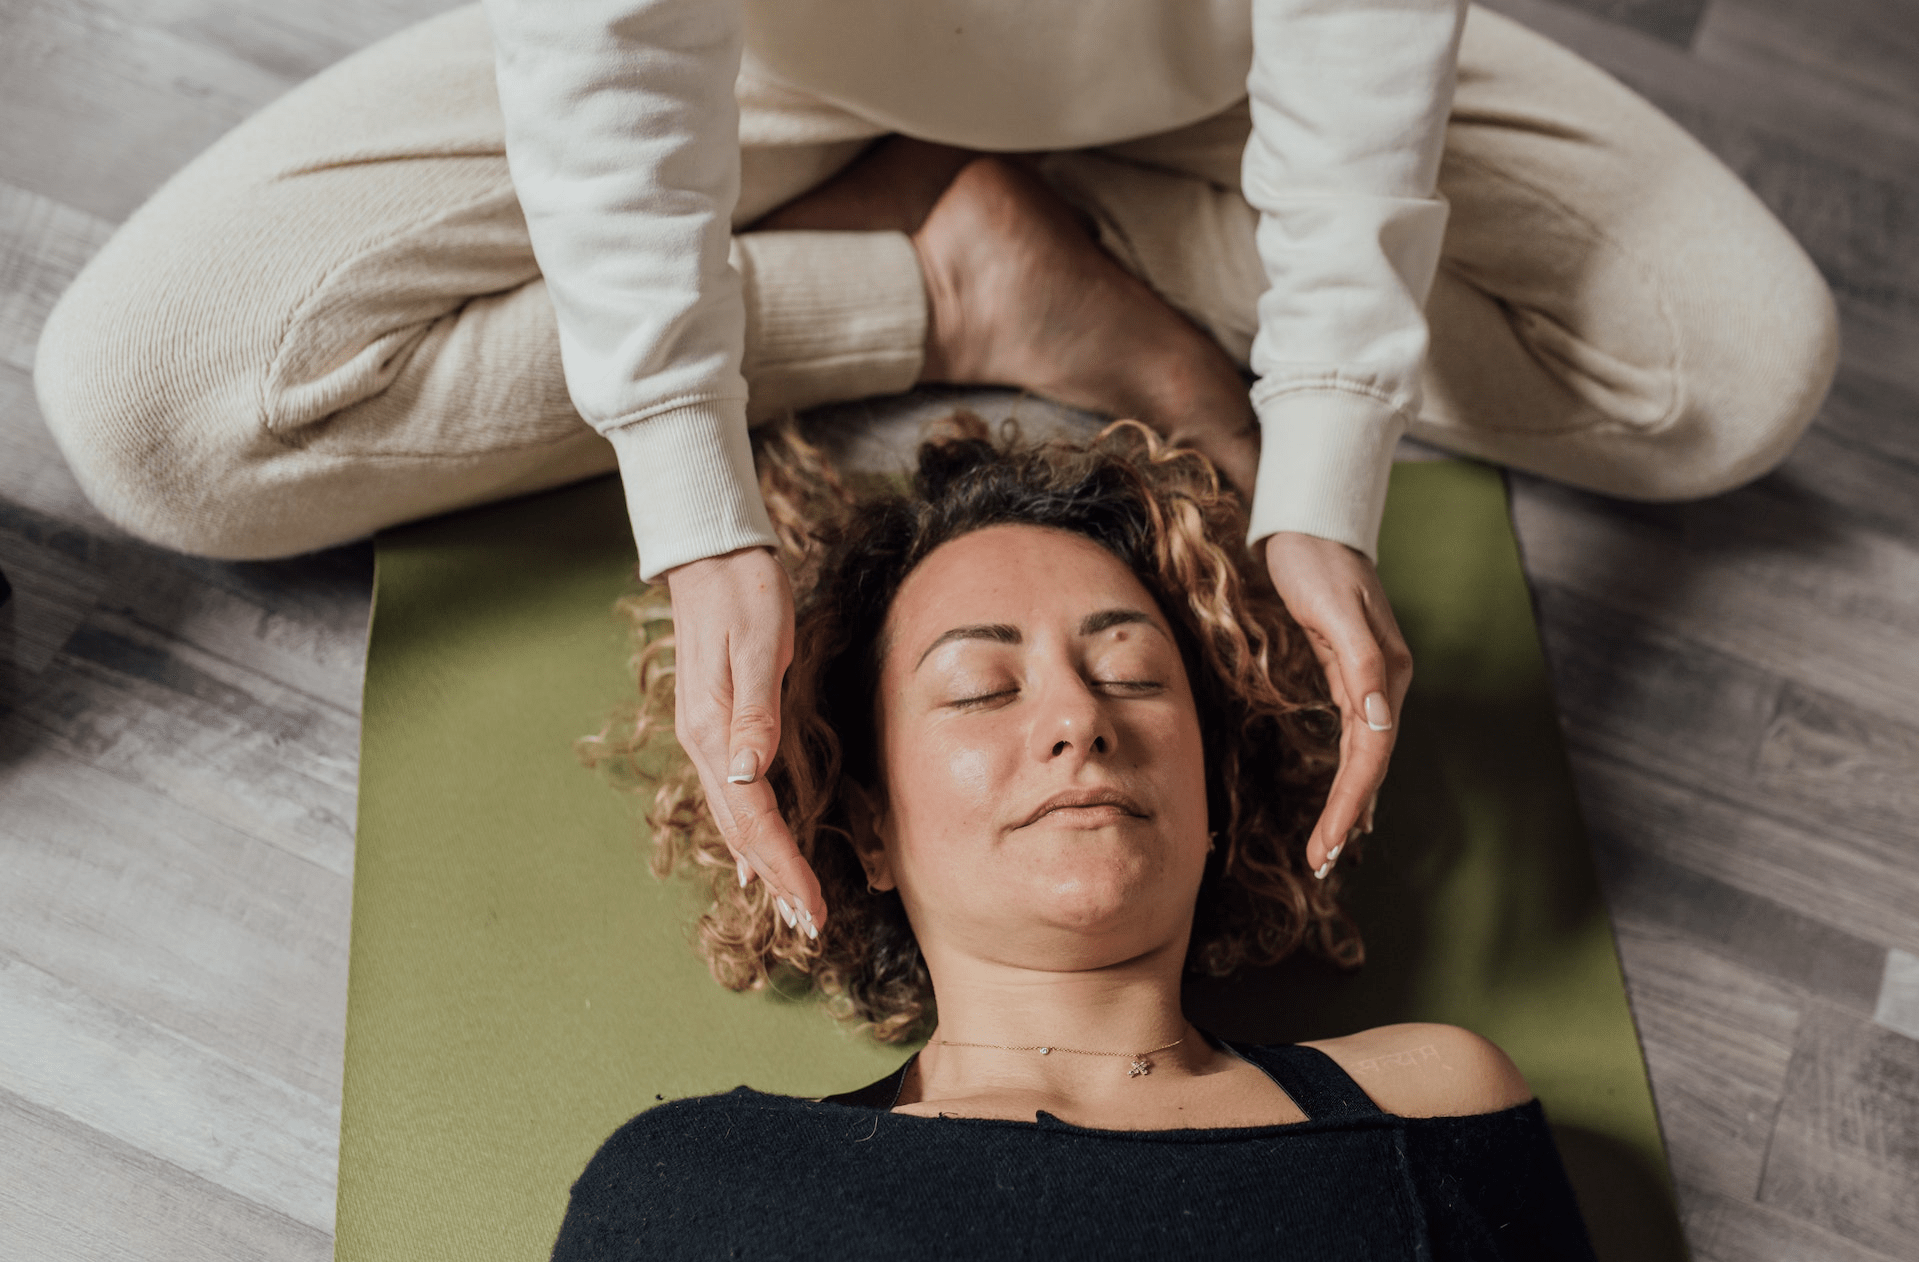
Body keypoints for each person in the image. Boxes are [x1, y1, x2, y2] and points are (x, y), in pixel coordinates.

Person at [35, 1, 1835, 936]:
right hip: (764, 64)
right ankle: (940, 269)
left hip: (1213, 67)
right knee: (156, 410)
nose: (1071, 731)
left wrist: (1324, 431)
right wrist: (684, 478)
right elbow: (610, 53)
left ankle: (1061, 227)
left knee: (1726, 375)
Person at [557, 419, 1603, 1262]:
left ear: (1210, 800)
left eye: (1132, 674)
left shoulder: (1432, 1102)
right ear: (869, 827)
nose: (1077, 719)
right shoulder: (700, 1188)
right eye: (981, 689)